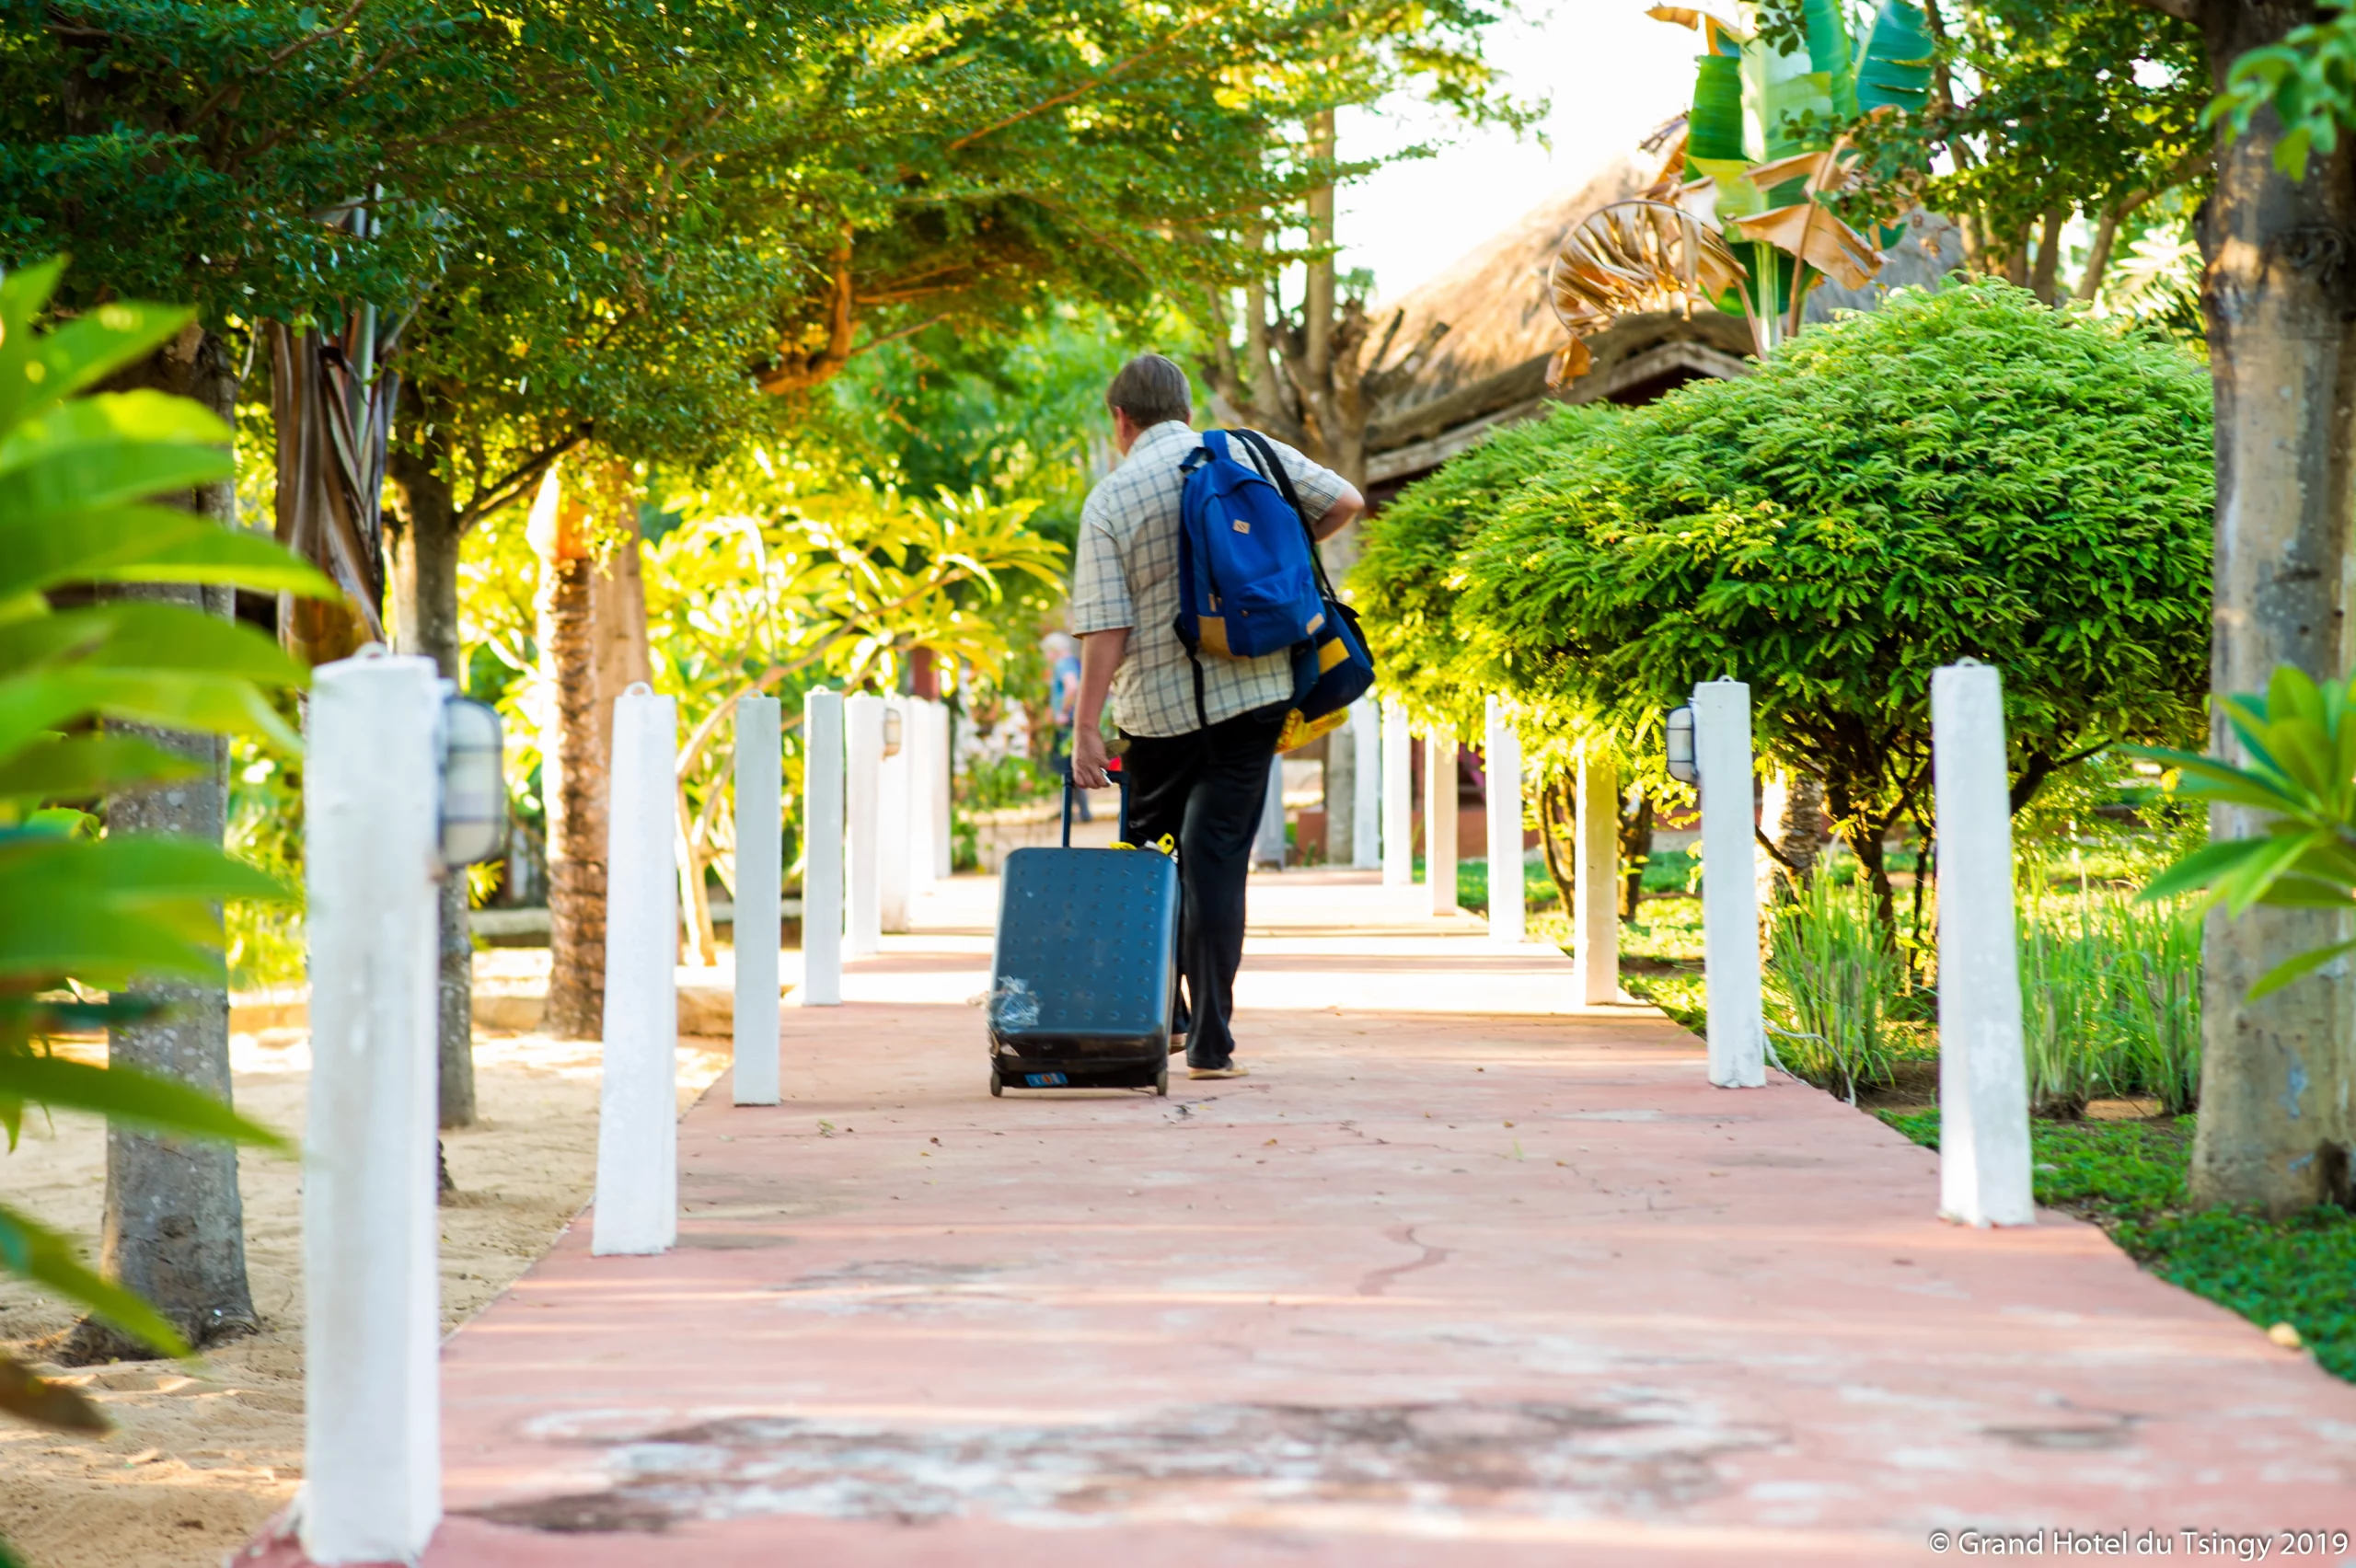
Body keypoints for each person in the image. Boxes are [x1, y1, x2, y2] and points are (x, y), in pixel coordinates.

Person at [1067, 353, 1365, 1079]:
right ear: (1185, 408)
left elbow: (1107, 629)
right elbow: (1346, 501)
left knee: (1152, 862)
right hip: (1253, 695)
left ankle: (1160, 1016)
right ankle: (1212, 1039)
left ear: (1121, 420)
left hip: (1155, 718)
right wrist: (1268, 567)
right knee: (1218, 862)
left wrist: (1084, 728)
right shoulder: (1249, 452)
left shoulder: (1110, 498)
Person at [1043, 631, 1090, 821]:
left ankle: (1071, 811)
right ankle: (1081, 811)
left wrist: (1063, 711)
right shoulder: (1073, 662)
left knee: (1066, 768)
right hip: (1074, 722)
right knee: (1073, 767)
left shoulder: (1063, 664)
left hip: (1068, 723)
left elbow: (1072, 686)